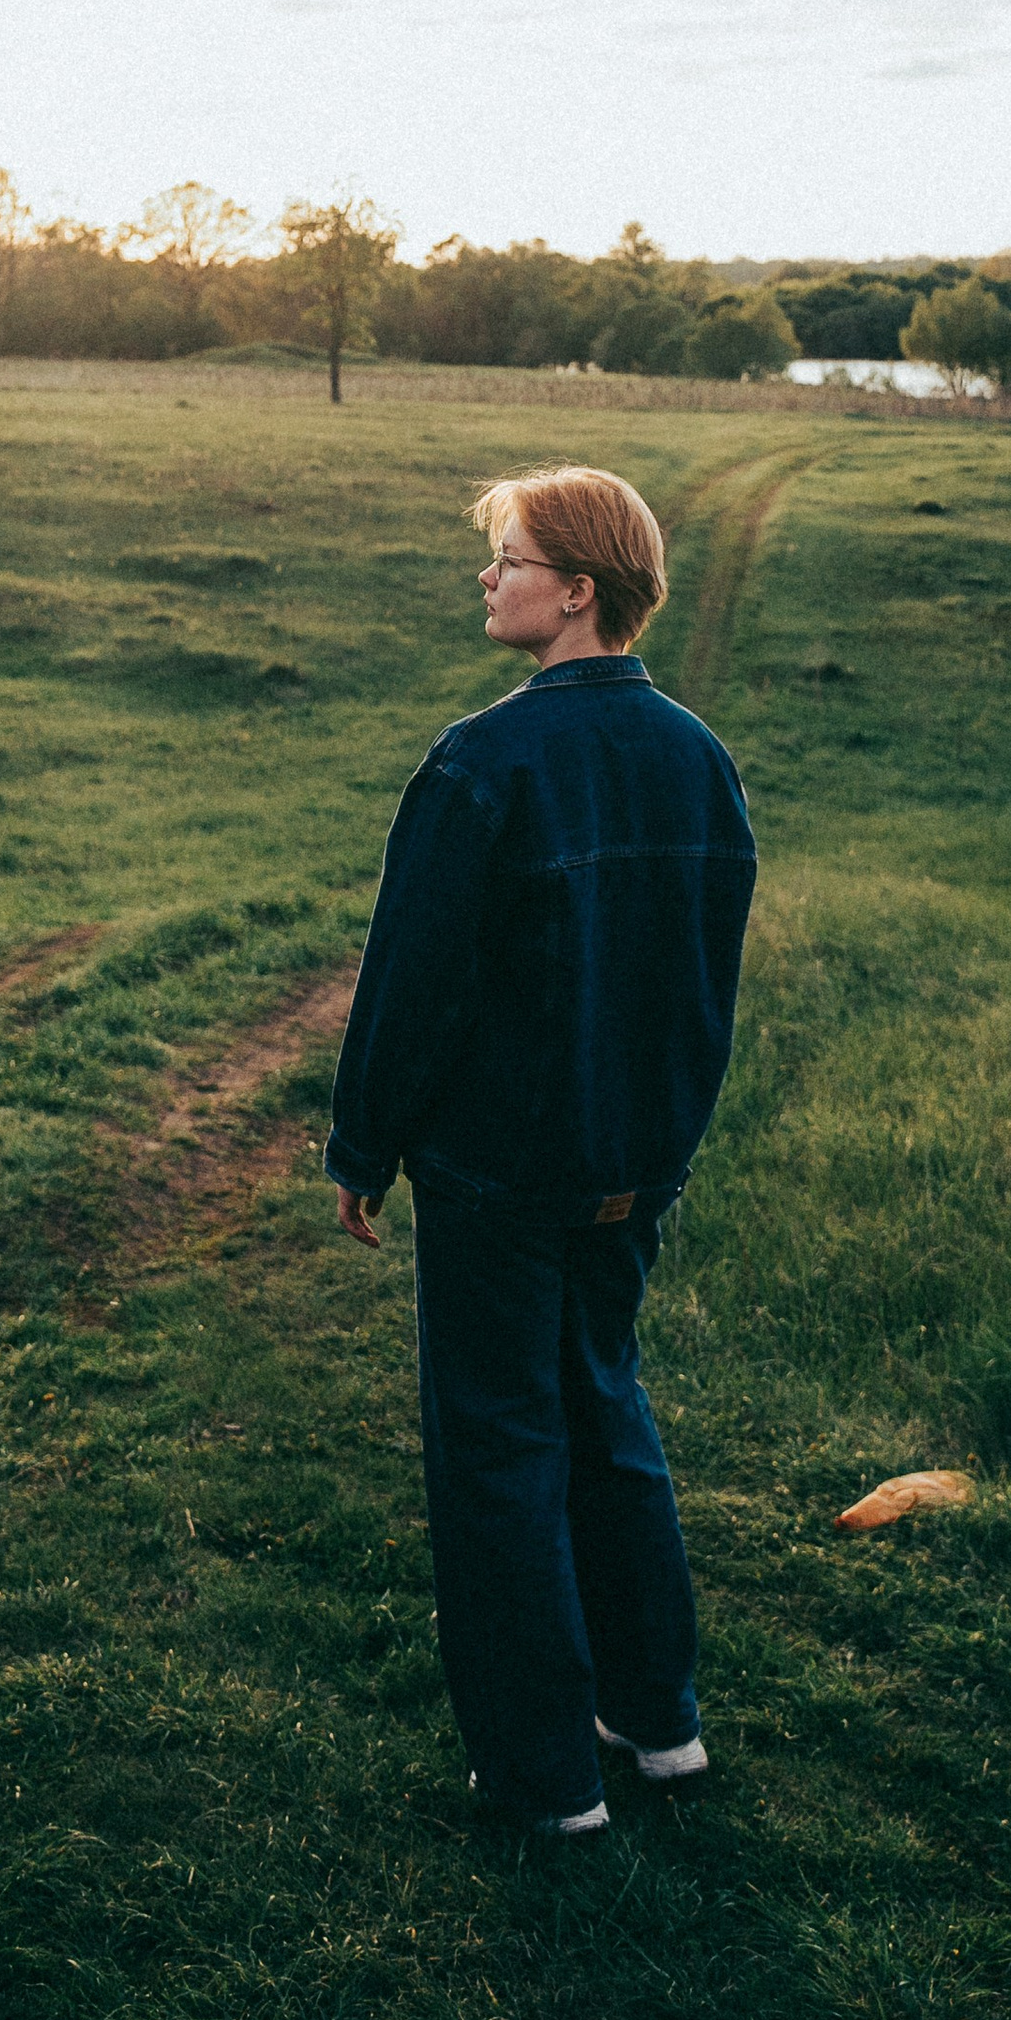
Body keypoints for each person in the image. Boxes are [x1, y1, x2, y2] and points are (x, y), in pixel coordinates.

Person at [325, 463, 757, 1837]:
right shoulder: (700, 758)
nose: (486, 575)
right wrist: (668, 1140)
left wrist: (365, 1143)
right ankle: (656, 1719)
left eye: (506, 557)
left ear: (577, 590)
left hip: (501, 1175)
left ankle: (544, 1777)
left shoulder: (483, 762)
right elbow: (705, 984)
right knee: (605, 1411)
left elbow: (413, 984)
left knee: (502, 1445)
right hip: (633, 1167)